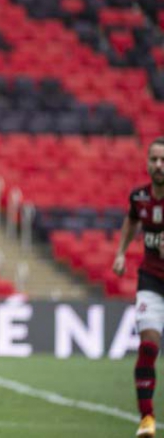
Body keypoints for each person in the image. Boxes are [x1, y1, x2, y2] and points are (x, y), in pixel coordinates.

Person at [112, 137, 164, 438]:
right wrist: (121, 252)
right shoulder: (140, 197)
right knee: (148, 346)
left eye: (163, 160)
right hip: (151, 281)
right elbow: (131, 221)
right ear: (147, 163)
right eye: (154, 159)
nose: (159, 165)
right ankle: (147, 418)